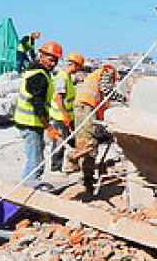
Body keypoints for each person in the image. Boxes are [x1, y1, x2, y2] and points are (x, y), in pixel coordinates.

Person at [13, 40, 62, 187]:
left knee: (37, 155)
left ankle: (31, 184)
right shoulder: (39, 76)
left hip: (32, 122)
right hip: (29, 122)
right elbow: (38, 104)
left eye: (55, 61)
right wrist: (49, 127)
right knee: (35, 158)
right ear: (41, 56)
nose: (53, 64)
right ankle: (29, 187)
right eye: (51, 59)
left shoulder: (39, 73)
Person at [70, 63, 119, 195]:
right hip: (85, 108)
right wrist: (123, 98)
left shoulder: (95, 81)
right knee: (88, 143)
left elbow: (103, 104)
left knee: (89, 141)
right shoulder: (107, 71)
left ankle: (88, 178)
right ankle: (86, 177)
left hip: (85, 108)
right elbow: (107, 90)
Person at [48, 51, 85, 171]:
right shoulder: (62, 77)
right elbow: (58, 98)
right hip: (59, 116)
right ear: (74, 65)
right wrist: (64, 115)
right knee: (60, 143)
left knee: (71, 141)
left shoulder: (67, 77)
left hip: (66, 115)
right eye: (78, 67)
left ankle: (74, 165)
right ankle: (55, 168)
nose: (78, 70)